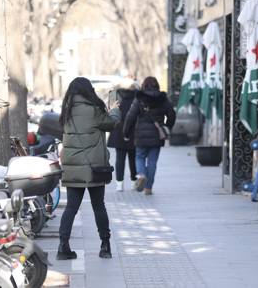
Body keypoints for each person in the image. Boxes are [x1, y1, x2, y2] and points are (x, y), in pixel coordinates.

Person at [58, 77, 121, 260]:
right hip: (94, 168)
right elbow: (112, 123)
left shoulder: (67, 111)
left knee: (71, 208)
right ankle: (105, 245)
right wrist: (115, 109)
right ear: (89, 91)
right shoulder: (94, 110)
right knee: (98, 206)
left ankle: (63, 247)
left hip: (73, 169)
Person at [123, 76, 175, 195]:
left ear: (144, 86)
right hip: (157, 136)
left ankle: (141, 174)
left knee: (139, 157)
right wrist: (167, 127)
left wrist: (126, 132)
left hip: (141, 135)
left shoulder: (139, 98)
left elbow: (130, 116)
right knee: (152, 162)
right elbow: (172, 114)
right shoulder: (163, 99)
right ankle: (148, 188)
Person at [107, 78, 139, 191]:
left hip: (118, 130)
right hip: (134, 130)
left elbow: (109, 111)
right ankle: (135, 181)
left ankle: (119, 184)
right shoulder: (138, 95)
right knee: (133, 157)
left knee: (120, 158)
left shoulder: (114, 95)